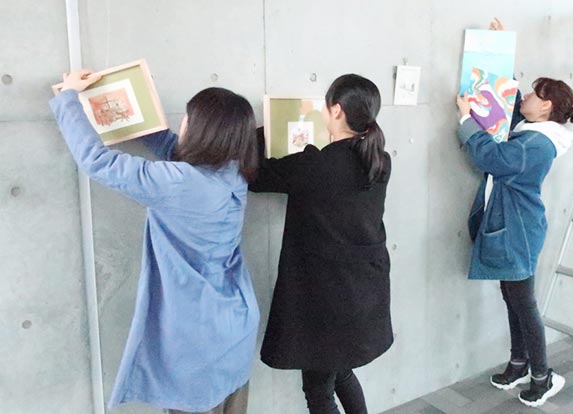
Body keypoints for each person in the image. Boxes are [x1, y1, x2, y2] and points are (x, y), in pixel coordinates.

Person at [49, 70, 260, 414]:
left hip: (196, 340)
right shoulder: (233, 171)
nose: (184, 124)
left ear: (201, 129)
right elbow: (175, 149)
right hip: (234, 327)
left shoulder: (179, 183)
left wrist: (69, 98)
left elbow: (98, 162)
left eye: (188, 118)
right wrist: (134, 111)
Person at [456, 23, 573, 405]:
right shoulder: (531, 130)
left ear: (545, 106)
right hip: (515, 227)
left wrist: (465, 120)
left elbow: (492, 156)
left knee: (523, 302)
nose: (524, 96)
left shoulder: (536, 144)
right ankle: (518, 363)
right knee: (512, 296)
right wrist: (498, 48)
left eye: (533, 93)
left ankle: (542, 377)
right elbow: (506, 103)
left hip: (519, 231)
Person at [250, 74, 393, 413]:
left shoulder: (316, 165)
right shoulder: (379, 161)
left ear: (337, 111)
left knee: (318, 388)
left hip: (326, 299)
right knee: (340, 370)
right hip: (362, 292)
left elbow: (256, 176)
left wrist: (265, 129)